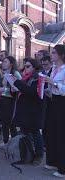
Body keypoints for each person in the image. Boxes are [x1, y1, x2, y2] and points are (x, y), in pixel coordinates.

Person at [12, 58, 44, 165]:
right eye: (25, 66)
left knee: (35, 133)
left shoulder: (37, 78)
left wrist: (16, 83)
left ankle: (38, 156)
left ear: (34, 67)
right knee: (24, 133)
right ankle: (27, 155)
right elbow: (21, 92)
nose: (25, 68)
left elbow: (32, 92)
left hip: (33, 110)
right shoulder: (25, 78)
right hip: (24, 110)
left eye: (28, 66)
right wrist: (14, 88)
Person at [44, 45, 65, 178]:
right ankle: (53, 161)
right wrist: (46, 89)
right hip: (53, 101)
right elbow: (52, 87)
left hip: (62, 103)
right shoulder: (53, 69)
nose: (51, 55)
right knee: (51, 131)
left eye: (54, 53)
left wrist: (54, 83)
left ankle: (63, 168)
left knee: (61, 134)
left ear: (61, 55)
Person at [0, 56, 21, 148]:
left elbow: (20, 86)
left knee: (11, 122)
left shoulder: (15, 73)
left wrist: (5, 90)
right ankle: (5, 141)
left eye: (5, 61)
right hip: (3, 99)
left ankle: (14, 144)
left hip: (11, 100)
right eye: (3, 61)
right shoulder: (5, 73)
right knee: (4, 121)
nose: (3, 63)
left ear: (11, 64)